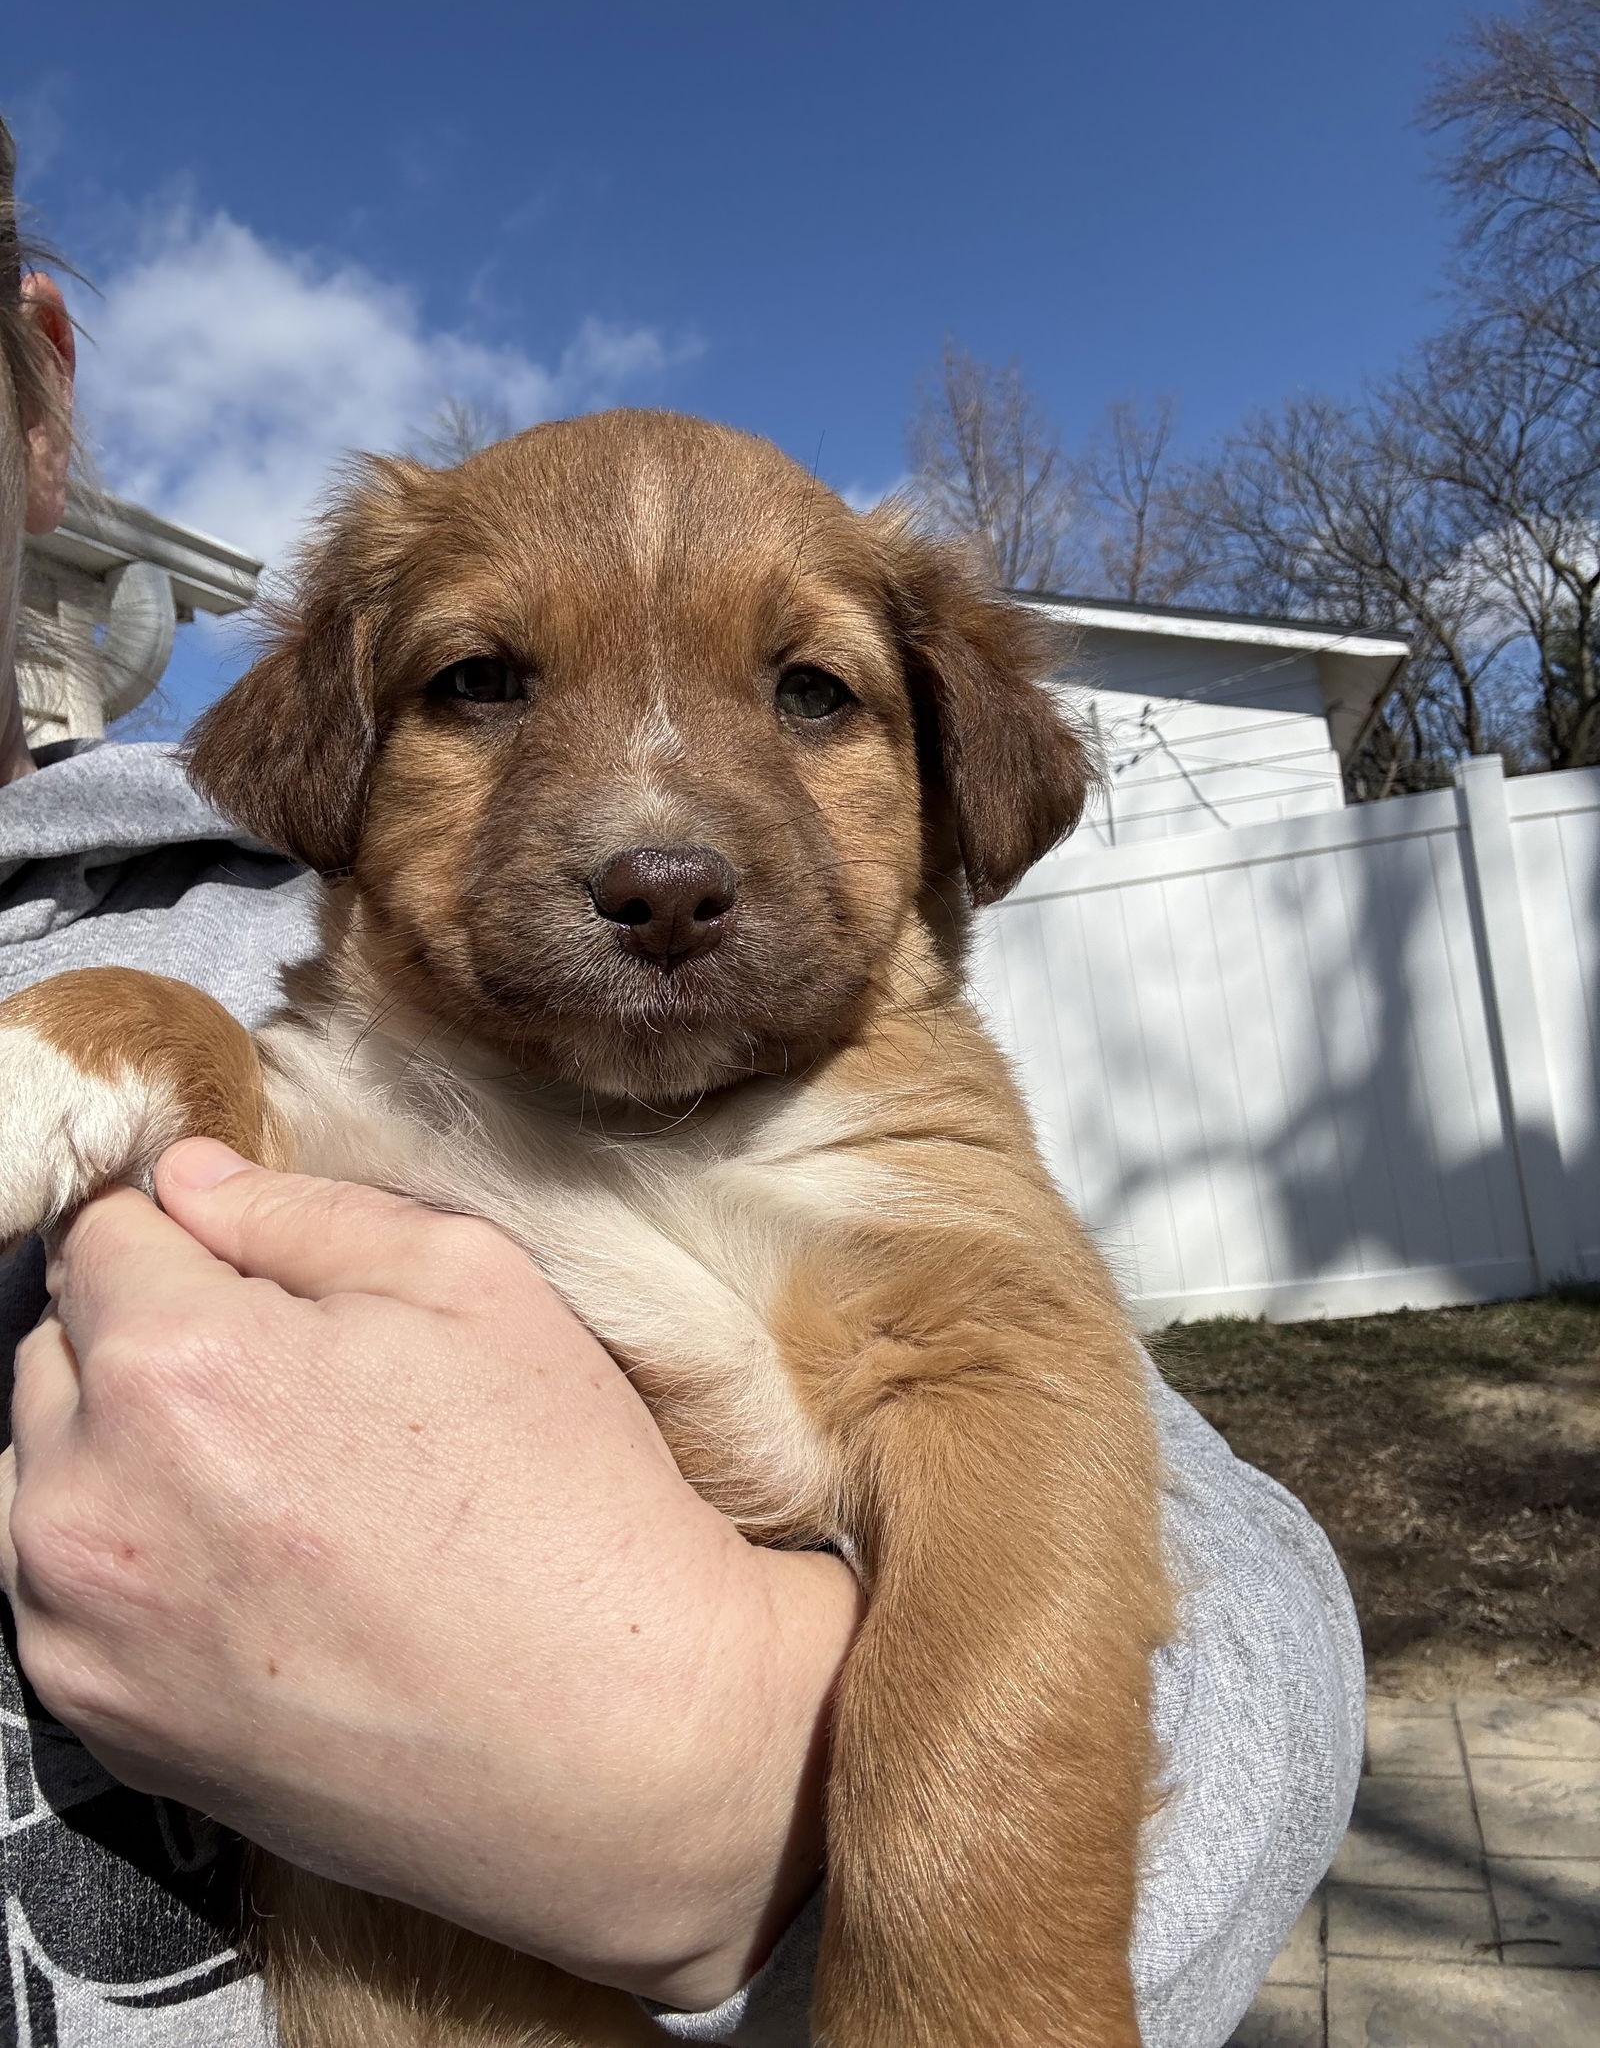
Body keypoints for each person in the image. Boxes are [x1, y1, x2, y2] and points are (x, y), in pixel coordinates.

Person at [0, 113, 1363, 2048]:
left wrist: (738, 1810)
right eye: (485, 681)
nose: (661, 849)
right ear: (335, 766)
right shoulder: (265, 1008)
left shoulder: (901, 1141)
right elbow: (249, 1149)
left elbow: (1225, 1590)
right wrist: (132, 1034)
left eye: (811, 693)